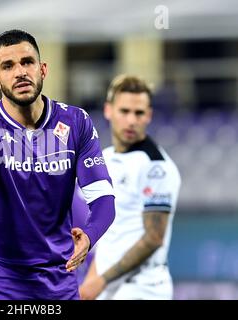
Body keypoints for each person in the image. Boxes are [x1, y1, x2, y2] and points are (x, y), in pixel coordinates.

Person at [0, 29, 116, 300]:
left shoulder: (77, 122)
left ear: (43, 69)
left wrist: (89, 237)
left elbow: (104, 198)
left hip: (58, 276)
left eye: (27, 62)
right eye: (8, 66)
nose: (20, 72)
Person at [77, 75, 181, 300]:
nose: (131, 120)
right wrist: (92, 283)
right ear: (108, 110)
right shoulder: (104, 158)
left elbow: (154, 238)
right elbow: (111, 236)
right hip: (107, 287)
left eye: (139, 113)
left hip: (144, 288)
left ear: (149, 116)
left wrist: (100, 281)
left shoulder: (156, 167)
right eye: (124, 111)